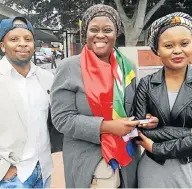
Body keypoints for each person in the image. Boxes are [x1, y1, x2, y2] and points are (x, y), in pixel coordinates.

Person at [51, 4, 157, 188]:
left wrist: (146, 120)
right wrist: (107, 127)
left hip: (126, 159)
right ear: (85, 33)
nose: (100, 35)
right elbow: (62, 119)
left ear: (116, 33)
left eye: (107, 30)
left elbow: (132, 110)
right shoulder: (69, 67)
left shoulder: (127, 67)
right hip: (90, 163)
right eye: (94, 29)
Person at [134, 12, 192, 188]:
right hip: (154, 170)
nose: (177, 50)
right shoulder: (146, 84)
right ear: (157, 49)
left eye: (184, 43)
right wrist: (191, 131)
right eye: (169, 45)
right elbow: (140, 131)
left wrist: (157, 148)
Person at [0, 16, 61, 188]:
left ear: (34, 45)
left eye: (28, 39)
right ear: (3, 46)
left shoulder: (47, 78)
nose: (22, 44)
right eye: (14, 39)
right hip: (11, 177)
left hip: (43, 171)